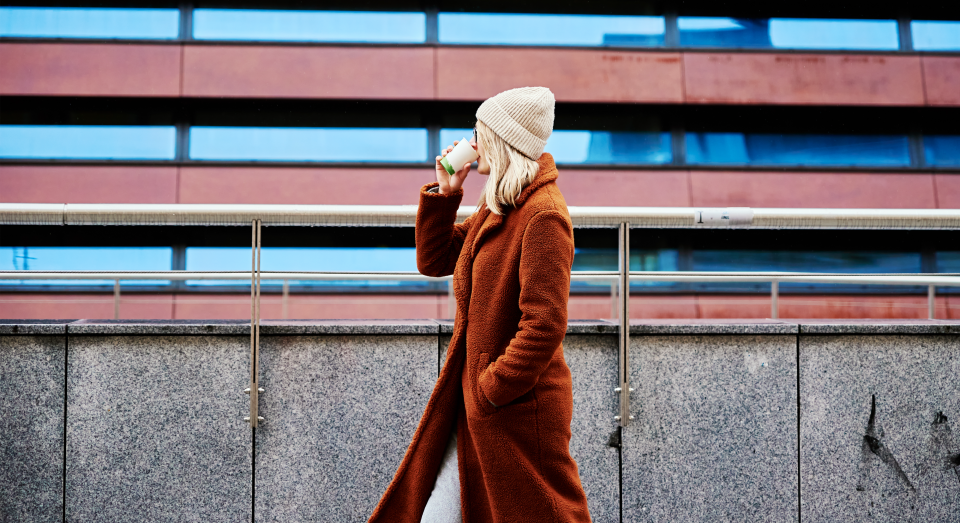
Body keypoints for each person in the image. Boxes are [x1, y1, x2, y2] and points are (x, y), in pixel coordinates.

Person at [368, 86, 591, 523]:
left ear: (503, 141)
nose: (470, 139)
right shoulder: (500, 205)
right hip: (473, 403)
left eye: (479, 130)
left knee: (545, 513)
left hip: (517, 409)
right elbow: (435, 261)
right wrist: (447, 191)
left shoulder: (543, 215)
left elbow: (544, 324)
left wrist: (492, 388)